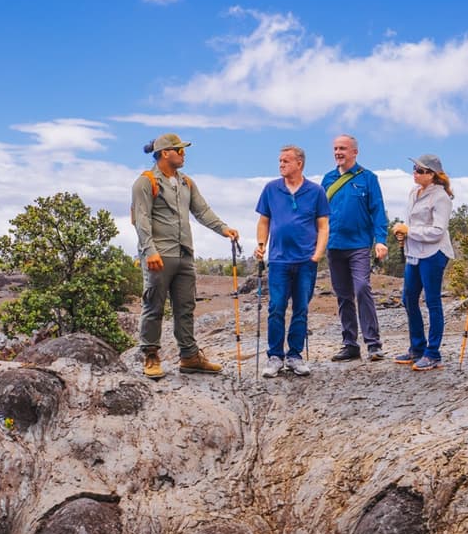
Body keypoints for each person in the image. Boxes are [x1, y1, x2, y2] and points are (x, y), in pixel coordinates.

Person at [129, 132, 241, 380]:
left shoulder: (186, 183)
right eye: (179, 150)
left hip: (184, 255)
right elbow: (141, 219)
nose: (184, 154)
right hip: (159, 255)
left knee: (186, 308)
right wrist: (150, 251)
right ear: (165, 153)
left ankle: (189, 357)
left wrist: (223, 228)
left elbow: (202, 210)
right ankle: (150, 355)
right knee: (153, 306)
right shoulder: (145, 182)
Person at [254, 145, 331, 377]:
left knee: (301, 308)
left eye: (286, 161)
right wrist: (261, 245)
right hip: (278, 260)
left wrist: (317, 254)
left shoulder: (316, 191)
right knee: (276, 307)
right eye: (280, 161)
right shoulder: (271, 189)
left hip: (306, 260)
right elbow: (264, 221)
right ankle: (275, 356)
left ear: (299, 163)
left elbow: (323, 226)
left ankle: (295, 355)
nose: (281, 165)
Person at [322, 135, 389, 361]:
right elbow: (319, 215)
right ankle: (350, 344)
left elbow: (378, 211)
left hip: (359, 245)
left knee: (362, 288)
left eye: (343, 148)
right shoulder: (328, 179)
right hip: (334, 245)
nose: (338, 152)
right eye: (335, 148)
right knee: (343, 295)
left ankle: (373, 343)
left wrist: (380, 239)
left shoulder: (368, 178)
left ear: (355, 152)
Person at [390, 154, 456, 371]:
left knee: (432, 301)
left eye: (420, 170)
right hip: (414, 253)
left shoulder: (440, 198)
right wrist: (404, 233)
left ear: (432, 175)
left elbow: (438, 230)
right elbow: (412, 222)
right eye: (415, 169)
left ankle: (433, 353)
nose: (415, 173)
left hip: (434, 253)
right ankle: (417, 347)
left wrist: (410, 231)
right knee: (409, 298)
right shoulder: (413, 192)